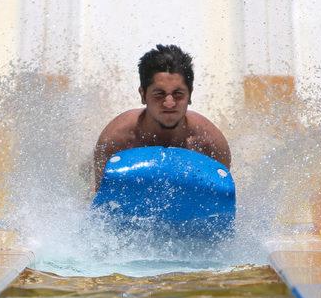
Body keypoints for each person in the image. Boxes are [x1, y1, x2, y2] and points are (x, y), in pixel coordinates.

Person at [94, 44, 231, 191]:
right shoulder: (116, 140)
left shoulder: (209, 144)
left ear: (190, 95)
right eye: (159, 94)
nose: (169, 103)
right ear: (143, 95)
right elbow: (98, 200)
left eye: (178, 94)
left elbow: (223, 200)